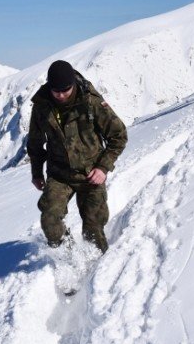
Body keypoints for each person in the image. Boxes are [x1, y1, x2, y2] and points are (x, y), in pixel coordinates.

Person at [27, 60, 127, 253]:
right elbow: (35, 143)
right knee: (50, 220)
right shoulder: (42, 107)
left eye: (66, 90)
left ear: (73, 83)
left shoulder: (91, 102)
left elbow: (119, 135)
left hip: (91, 174)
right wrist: (37, 173)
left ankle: (100, 267)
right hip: (59, 175)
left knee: (93, 229)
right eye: (56, 91)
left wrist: (103, 167)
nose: (61, 95)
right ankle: (67, 255)